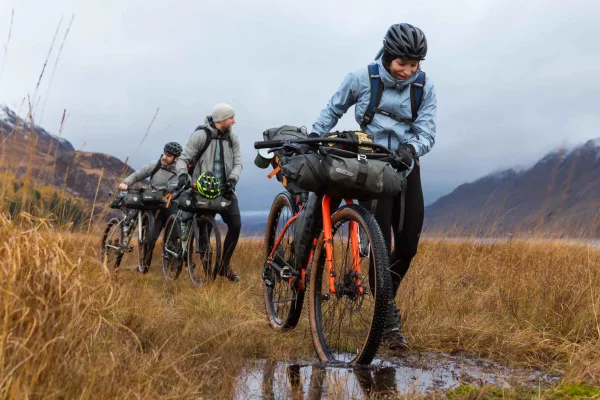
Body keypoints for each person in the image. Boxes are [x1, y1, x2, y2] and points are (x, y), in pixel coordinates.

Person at [307, 23, 437, 350]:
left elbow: (427, 130)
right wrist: (314, 139)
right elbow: (332, 110)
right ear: (388, 56)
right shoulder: (361, 78)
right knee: (381, 243)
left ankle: (383, 296)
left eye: (414, 65)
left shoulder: (425, 86)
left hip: (406, 166)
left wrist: (411, 149)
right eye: (401, 64)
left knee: (407, 246)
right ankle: (388, 316)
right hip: (371, 165)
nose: (407, 71)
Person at [176, 103, 243, 282]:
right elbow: (183, 159)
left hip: (226, 190)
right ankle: (207, 275)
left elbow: (238, 163)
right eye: (231, 118)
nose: (234, 121)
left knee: (235, 225)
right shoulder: (201, 136)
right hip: (202, 190)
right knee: (204, 230)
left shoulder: (232, 139)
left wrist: (233, 179)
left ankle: (223, 266)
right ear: (221, 119)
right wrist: (183, 175)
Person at [119, 141, 183, 269]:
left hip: (171, 204)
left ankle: (172, 264)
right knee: (150, 236)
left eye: (169, 156)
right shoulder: (155, 165)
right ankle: (144, 265)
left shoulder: (181, 170)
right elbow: (138, 175)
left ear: (176, 158)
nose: (164, 157)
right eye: (164, 153)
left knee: (174, 235)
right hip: (154, 205)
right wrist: (125, 183)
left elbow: (187, 183)